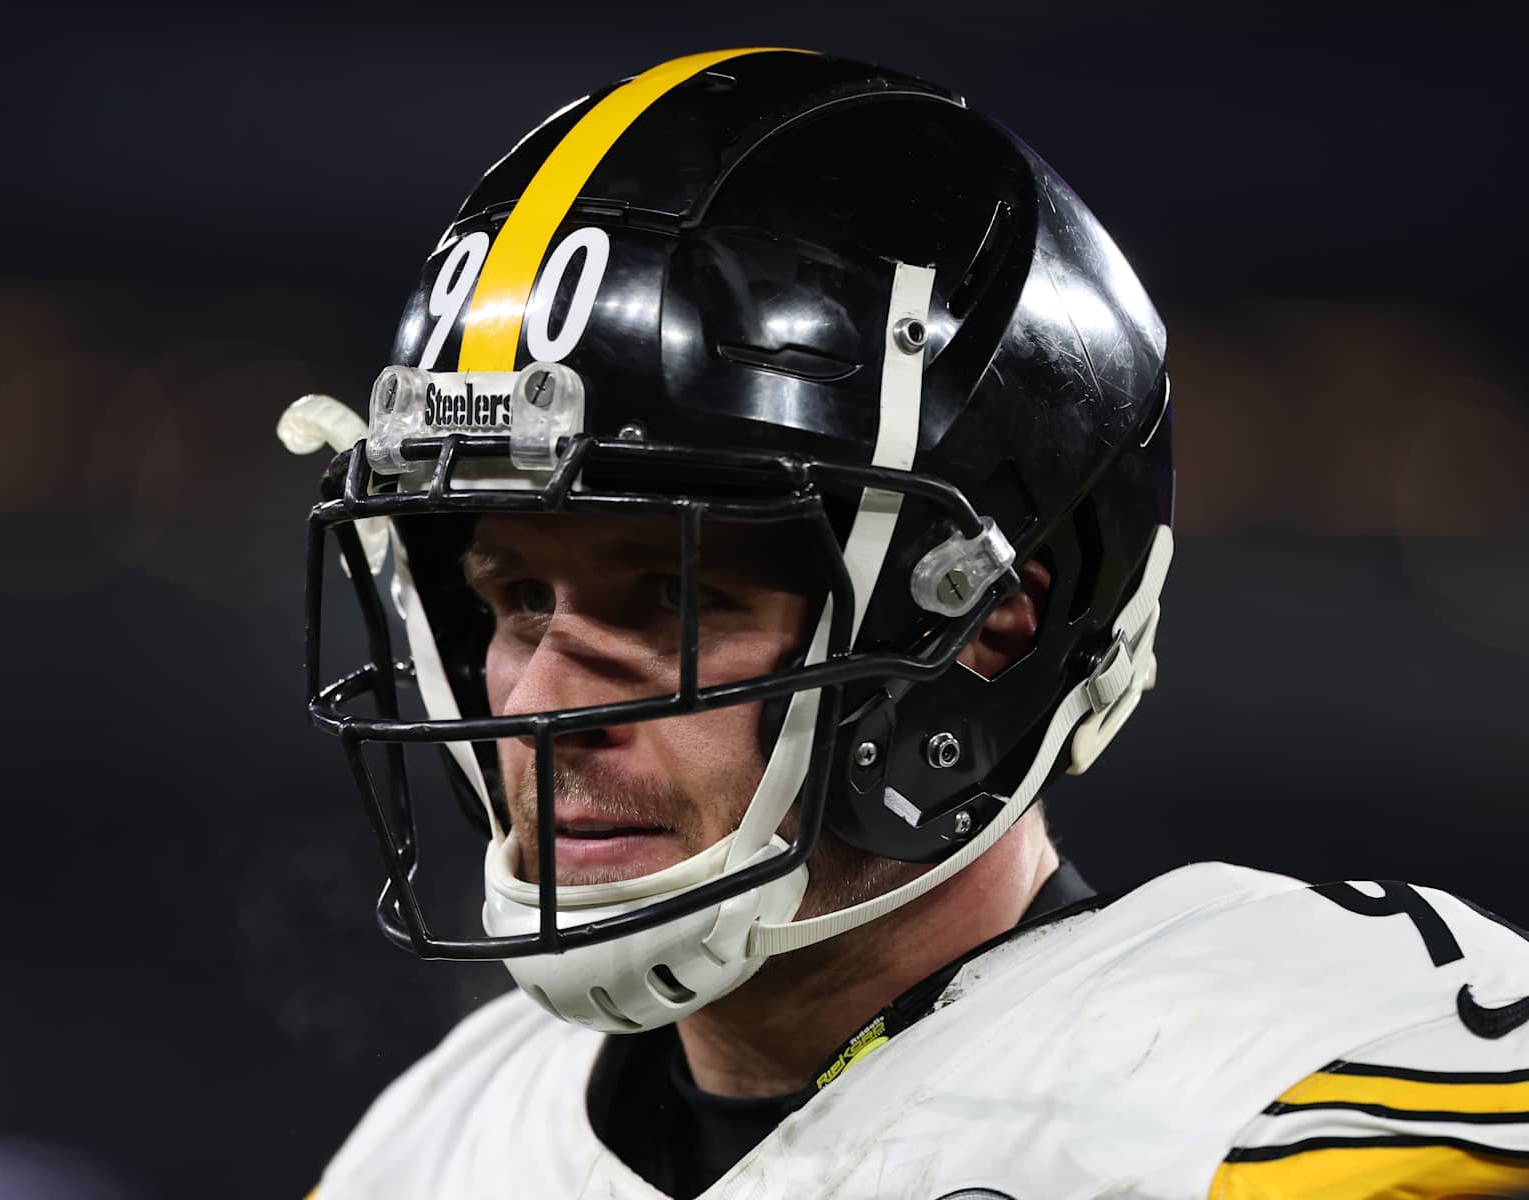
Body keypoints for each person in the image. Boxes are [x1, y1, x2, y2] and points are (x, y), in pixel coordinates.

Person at [276, 48, 1529, 1199]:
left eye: (673, 596)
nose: (542, 704)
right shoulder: (439, 1146)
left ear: (985, 631)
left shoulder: (1271, 1095)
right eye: (517, 598)